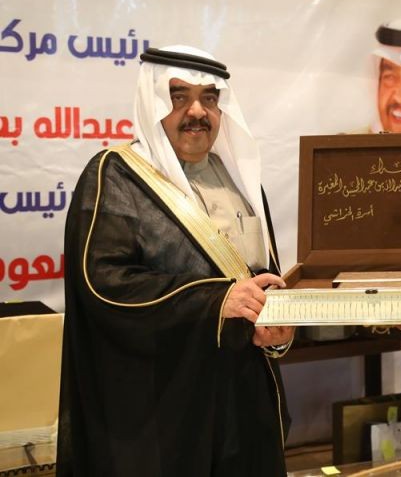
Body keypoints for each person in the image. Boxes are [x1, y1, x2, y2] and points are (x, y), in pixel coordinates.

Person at [56, 46, 294, 477]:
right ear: (153, 104)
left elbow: (262, 277)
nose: (197, 112)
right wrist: (214, 302)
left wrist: (277, 330)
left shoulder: (240, 180)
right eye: (179, 96)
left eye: (209, 99)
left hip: (242, 398)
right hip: (162, 407)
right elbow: (102, 283)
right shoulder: (117, 174)